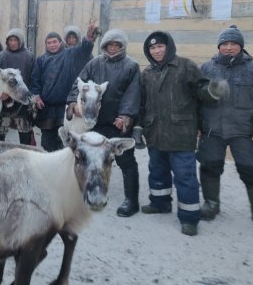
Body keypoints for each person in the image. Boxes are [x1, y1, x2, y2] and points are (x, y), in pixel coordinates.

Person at [134, 30, 229, 236]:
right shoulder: (147, 74)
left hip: (181, 134)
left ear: (168, 47)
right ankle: (160, 203)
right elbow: (141, 105)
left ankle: (189, 218)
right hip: (155, 133)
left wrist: (213, 90)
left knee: (185, 177)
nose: (157, 51)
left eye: (160, 46)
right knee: (157, 172)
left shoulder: (185, 66)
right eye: (152, 48)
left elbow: (201, 89)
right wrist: (138, 127)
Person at [197, 25, 253, 233]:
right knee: (209, 166)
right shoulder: (206, 68)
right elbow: (195, 99)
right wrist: (196, 125)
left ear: (241, 46)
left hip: (244, 130)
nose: (228, 47)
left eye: (233, 43)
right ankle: (211, 204)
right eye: (224, 43)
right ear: (218, 46)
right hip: (211, 130)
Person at [66, 28, 140, 217]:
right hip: (94, 122)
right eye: (109, 44)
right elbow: (79, 84)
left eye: (117, 45)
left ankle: (131, 200)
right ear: (104, 45)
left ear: (123, 46)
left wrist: (125, 116)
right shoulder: (95, 63)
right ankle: (87, 192)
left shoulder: (131, 66)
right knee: (90, 159)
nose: (113, 48)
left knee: (126, 161)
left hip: (117, 122)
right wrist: (73, 102)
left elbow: (133, 94)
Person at [30, 23, 96, 151]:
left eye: (55, 42)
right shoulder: (41, 60)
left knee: (67, 143)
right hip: (46, 108)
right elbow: (35, 81)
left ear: (61, 43)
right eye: (48, 43)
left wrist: (88, 37)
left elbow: (84, 49)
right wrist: (36, 97)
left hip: (66, 108)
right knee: (47, 143)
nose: (52, 45)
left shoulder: (70, 54)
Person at [0, 28, 35, 144]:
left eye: (15, 40)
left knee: (25, 137)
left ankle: (26, 159)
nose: (12, 43)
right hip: (5, 104)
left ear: (20, 41)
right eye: (10, 40)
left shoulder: (29, 56)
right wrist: (3, 94)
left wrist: (31, 96)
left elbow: (33, 77)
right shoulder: (1, 56)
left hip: (23, 104)